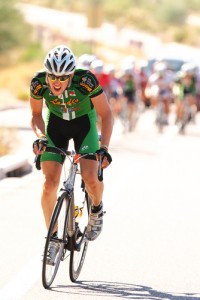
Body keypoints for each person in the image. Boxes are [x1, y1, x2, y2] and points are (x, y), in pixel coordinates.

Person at [30, 45, 113, 264]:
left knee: (90, 178)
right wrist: (40, 136)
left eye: (63, 77)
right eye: (52, 76)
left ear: (72, 75)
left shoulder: (85, 81)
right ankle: (53, 239)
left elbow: (106, 114)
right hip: (56, 126)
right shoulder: (38, 83)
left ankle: (97, 209)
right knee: (49, 184)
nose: (56, 82)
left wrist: (103, 148)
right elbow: (36, 115)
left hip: (83, 126)